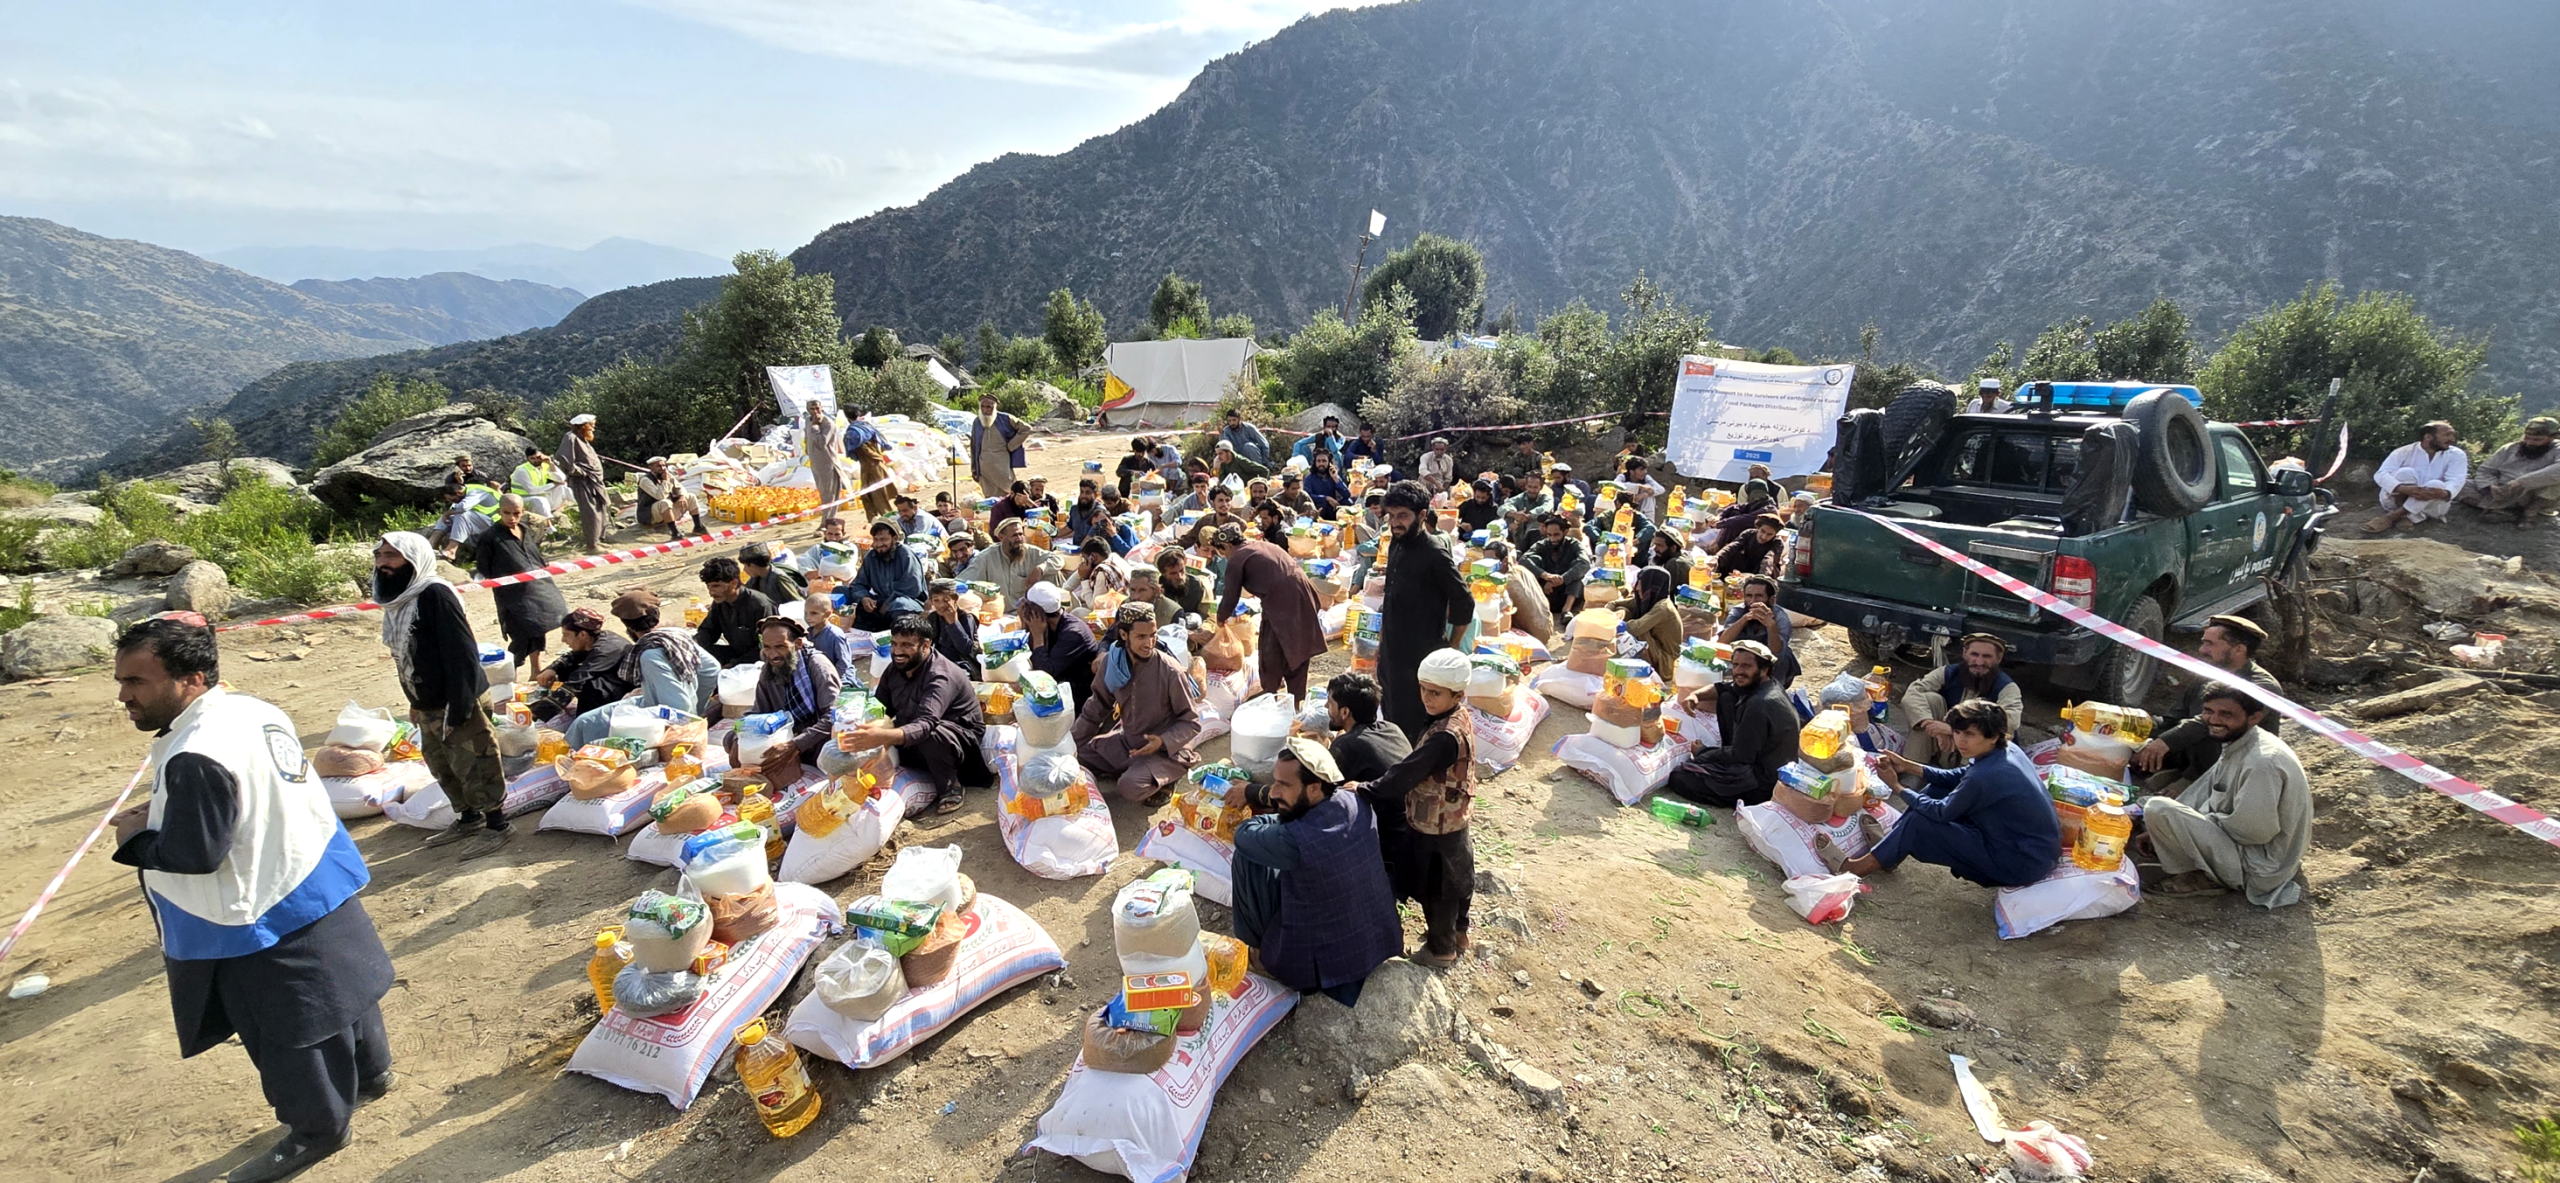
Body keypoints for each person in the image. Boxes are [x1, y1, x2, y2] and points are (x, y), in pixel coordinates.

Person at [107, 617, 395, 1183]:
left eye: (136, 682)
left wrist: (135, 837)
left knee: (286, 1026)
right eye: (121, 681)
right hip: (312, 872)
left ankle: (317, 1129)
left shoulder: (196, 751)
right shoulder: (254, 711)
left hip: (250, 909)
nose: (124, 697)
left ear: (191, 678)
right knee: (343, 987)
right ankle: (372, 1073)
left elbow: (196, 854)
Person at [1229, 738, 1403, 1005]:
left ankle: (1259, 953)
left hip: (1328, 959)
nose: (1273, 792)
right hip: (1376, 939)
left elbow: (1243, 835)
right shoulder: (1355, 799)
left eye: (1284, 785)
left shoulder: (1294, 839)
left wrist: (1276, 819)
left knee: (1247, 856)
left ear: (1313, 788)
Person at [373, 532, 511, 855]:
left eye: (391, 556)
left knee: (475, 763)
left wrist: (460, 707)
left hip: (457, 698)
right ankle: (469, 818)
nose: (382, 564)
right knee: (442, 764)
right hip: (427, 702)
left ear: (413, 559)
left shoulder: (435, 594)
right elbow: (407, 656)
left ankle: (498, 825)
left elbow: (462, 653)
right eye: (379, 556)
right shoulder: (400, 600)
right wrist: (415, 702)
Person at [1347, 648, 1477, 968]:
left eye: (1436, 693)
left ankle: (1441, 949)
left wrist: (1365, 789)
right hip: (1454, 817)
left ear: (1458, 694)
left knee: (1438, 888)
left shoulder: (1444, 737)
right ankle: (1459, 934)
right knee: (1458, 879)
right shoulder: (1453, 717)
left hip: (1437, 824)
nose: (1427, 698)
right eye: (1424, 689)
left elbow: (1407, 773)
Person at [1848, 700, 2057, 888]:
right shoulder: (2007, 750)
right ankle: (1890, 853)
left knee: (1919, 822)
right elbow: (1959, 776)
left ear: (1993, 736)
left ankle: (1862, 866)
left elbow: (1941, 812)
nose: (1960, 741)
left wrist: (1896, 786)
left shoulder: (1988, 774)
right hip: (2028, 848)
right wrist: (1907, 765)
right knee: (1936, 789)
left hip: (2019, 862)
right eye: (1957, 732)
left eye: (1969, 735)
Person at [2134, 685, 2312, 906]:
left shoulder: (2262, 762)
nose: (2214, 720)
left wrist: (2184, 826)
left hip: (2259, 865)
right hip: (2241, 845)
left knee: (2158, 808)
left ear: (2254, 718)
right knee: (2152, 808)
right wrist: (2165, 829)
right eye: (2208, 711)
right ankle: (2194, 865)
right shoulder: (2237, 744)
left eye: (2226, 714)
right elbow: (2203, 791)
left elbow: (2254, 833)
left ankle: (2206, 877)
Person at [836, 613, 987, 816]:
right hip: (912, 730)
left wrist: (883, 736)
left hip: (957, 740)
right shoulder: (894, 670)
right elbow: (880, 708)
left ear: (925, 645)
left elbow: (926, 723)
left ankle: (950, 786)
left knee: (931, 735)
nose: (898, 651)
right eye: (894, 644)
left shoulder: (940, 676)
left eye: (907, 645)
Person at [2133, 615, 2284, 790]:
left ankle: (2192, 782)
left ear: (2239, 649)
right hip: (2195, 752)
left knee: (2215, 729)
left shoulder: (2263, 685)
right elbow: (2174, 718)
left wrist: (2165, 741)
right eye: (2203, 643)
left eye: (2210, 644)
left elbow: (2211, 722)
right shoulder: (2208, 674)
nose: (2202, 650)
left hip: (2235, 761)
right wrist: (2138, 727)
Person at [1375, 481, 1474, 741]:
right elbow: (1391, 597)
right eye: (1391, 516)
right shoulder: (1396, 544)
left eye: (1402, 516)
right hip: (1391, 653)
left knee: (1414, 722)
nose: (1395, 523)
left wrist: (1452, 647)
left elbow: (1464, 601)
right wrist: (1382, 643)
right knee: (1391, 715)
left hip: (1421, 656)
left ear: (1421, 515)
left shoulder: (1434, 554)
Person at [1073, 603, 1203, 802]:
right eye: (1141, 637)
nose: (1149, 643)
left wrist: (1161, 742)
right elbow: (1097, 705)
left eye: (1153, 635)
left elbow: (1191, 722)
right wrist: (1070, 744)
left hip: (1165, 751)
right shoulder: (1112, 663)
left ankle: (1165, 777)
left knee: (1129, 787)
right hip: (1128, 743)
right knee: (1077, 755)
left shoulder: (1171, 671)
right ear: (1124, 634)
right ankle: (1137, 770)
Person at [562, 589, 719, 747]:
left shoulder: (650, 655)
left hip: (660, 720)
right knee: (587, 719)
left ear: (626, 625)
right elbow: (711, 669)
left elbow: (678, 707)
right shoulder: (677, 634)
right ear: (656, 615)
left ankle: (569, 756)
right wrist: (698, 704)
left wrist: (690, 717)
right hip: (656, 706)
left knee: (585, 723)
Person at [1661, 641, 1797, 808]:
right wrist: (1696, 695)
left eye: (1746, 666)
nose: (1739, 671)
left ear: (1764, 669)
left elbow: (1741, 756)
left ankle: (1736, 797)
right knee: (1726, 697)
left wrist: (1703, 752)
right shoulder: (1767, 684)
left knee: (1680, 777)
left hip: (1761, 782)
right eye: (1735, 665)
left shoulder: (1759, 705)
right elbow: (1724, 688)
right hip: (1758, 759)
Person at [1212, 524, 1326, 700]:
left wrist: (1220, 618)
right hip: (1303, 594)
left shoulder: (1237, 558)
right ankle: (1296, 701)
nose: (1223, 556)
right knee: (1298, 648)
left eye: (1221, 552)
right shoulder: (1262, 545)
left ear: (1226, 546)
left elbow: (1230, 597)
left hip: (1281, 601)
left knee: (1271, 652)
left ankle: (1270, 696)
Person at [726, 616, 841, 787]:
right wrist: (739, 736)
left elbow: (834, 716)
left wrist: (795, 745)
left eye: (780, 647)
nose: (773, 655)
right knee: (731, 739)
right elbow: (758, 711)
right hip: (783, 733)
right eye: (767, 647)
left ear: (798, 644)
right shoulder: (769, 668)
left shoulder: (818, 666)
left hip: (816, 738)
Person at [1899, 633, 2023, 771]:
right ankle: (1913, 768)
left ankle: (1966, 775)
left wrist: (1954, 730)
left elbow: (2011, 720)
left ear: (1998, 659)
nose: (1979, 662)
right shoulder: (1947, 673)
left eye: (1987, 656)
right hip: (1945, 746)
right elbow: (1913, 692)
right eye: (1974, 654)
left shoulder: (2007, 687)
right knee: (1930, 700)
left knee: (1993, 723)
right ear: (1965, 653)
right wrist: (1930, 724)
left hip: (1981, 755)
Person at [474, 494, 566, 676]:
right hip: (512, 595)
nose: (511, 518)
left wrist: (544, 568)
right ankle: (509, 677)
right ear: (499, 512)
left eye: (516, 513)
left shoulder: (525, 530)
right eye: (506, 513)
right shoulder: (490, 537)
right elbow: (484, 568)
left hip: (537, 588)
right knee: (520, 636)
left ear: (522, 512)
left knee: (538, 628)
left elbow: (534, 556)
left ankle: (535, 670)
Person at [531, 608, 636, 724]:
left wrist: (536, 713)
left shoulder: (606, 650)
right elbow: (573, 655)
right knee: (568, 668)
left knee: (586, 684)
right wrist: (552, 669)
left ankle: (587, 722)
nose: (563, 640)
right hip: (612, 684)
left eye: (566, 635)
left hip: (621, 696)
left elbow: (576, 682)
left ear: (582, 634)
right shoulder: (595, 640)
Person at [2365, 420, 2468, 532]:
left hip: (2432, 506)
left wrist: (2444, 493)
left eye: (2453, 435)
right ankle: (2407, 516)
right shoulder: (2404, 452)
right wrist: (2402, 488)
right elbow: (2380, 474)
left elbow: (2456, 479)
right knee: (2406, 472)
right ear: (2428, 437)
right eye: (2447, 435)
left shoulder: (2457, 455)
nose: (2452, 439)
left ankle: (2391, 517)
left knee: (2436, 484)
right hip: (2394, 501)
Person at [2459, 414, 2560, 527]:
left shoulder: (2557, 449)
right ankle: (2505, 512)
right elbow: (2485, 470)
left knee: (2555, 483)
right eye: (2527, 437)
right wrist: (2490, 486)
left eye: (2537, 440)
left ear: (2553, 437)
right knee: (2460, 484)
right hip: (2502, 492)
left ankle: (2530, 513)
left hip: (2531, 494)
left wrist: (2521, 482)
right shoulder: (2509, 448)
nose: (2529, 443)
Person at [1020, 580, 1103, 709]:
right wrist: (1025, 625)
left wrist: (1037, 635)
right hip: (1061, 687)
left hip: (1078, 698)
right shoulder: (1048, 626)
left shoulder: (1073, 633)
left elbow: (1045, 673)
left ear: (1036, 613)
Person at [1316, 672, 1412, 782]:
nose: (1326, 706)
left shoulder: (1346, 745)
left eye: (1330, 703)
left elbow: (1319, 785)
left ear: (1345, 712)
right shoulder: (1392, 729)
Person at [1715, 574, 1800, 689]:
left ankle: (1772, 688)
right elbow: (1722, 642)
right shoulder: (1738, 611)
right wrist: (1744, 619)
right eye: (1749, 596)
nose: (1753, 601)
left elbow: (1776, 652)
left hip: (1771, 664)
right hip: (1745, 660)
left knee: (1784, 656)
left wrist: (1771, 626)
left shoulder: (1780, 617)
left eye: (1759, 596)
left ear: (1772, 600)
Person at [960, 517, 1064, 606]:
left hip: (1028, 612)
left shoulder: (1030, 551)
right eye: (1014, 535)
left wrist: (1040, 569)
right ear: (1001, 537)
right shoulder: (987, 557)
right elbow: (962, 581)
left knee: (1054, 573)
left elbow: (1058, 559)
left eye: (1021, 534)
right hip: (1001, 613)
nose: (1019, 539)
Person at [845, 519, 928, 630]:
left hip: (909, 603)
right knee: (844, 592)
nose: (879, 544)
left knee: (900, 604)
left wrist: (889, 603)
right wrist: (864, 597)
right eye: (876, 540)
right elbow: (858, 584)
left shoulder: (906, 554)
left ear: (895, 539)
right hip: (882, 602)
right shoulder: (871, 556)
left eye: (883, 539)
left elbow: (912, 588)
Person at [694, 556, 777, 667]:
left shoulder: (759, 605)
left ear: (733, 583)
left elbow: (766, 646)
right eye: (708, 587)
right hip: (735, 653)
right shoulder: (720, 602)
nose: (711, 592)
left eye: (716, 586)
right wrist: (692, 645)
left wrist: (734, 664)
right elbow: (709, 631)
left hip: (760, 658)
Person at [1522, 513, 1590, 627]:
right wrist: (1545, 575)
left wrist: (1561, 579)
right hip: (1546, 592)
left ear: (1565, 532)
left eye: (1556, 535)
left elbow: (1585, 563)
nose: (1553, 539)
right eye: (1549, 535)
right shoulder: (1542, 544)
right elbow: (1524, 559)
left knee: (1578, 567)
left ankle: (1566, 611)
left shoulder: (1574, 544)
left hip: (1568, 592)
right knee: (1533, 559)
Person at [559, 412, 609, 552]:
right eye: (591, 425)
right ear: (583, 426)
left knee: (600, 508)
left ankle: (598, 539)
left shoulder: (583, 439)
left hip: (594, 481)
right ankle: (592, 545)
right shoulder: (570, 437)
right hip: (583, 482)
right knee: (590, 511)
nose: (593, 428)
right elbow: (563, 459)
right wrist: (581, 472)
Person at [1620, 566, 1683, 677]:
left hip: (1666, 662)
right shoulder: (1650, 600)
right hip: (1657, 651)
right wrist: (1607, 614)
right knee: (1623, 611)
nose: (1637, 588)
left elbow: (1636, 628)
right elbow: (1615, 604)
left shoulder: (1662, 608)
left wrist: (1614, 625)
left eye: (1641, 584)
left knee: (1640, 633)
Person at [838, 402, 896, 519]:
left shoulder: (852, 432)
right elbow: (881, 443)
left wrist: (874, 458)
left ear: (846, 415)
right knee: (869, 495)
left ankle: (889, 521)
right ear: (858, 413)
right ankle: (874, 521)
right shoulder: (866, 426)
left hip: (870, 466)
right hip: (875, 464)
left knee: (878, 496)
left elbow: (865, 450)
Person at [970, 392, 1030, 496]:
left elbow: (1026, 429)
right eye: (982, 407)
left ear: (995, 407)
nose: (985, 410)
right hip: (984, 466)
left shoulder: (1006, 419)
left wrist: (1011, 446)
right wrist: (974, 469)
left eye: (989, 407)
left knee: (1010, 491)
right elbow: (974, 446)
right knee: (989, 495)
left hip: (1002, 463)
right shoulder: (977, 422)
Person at [1709, 463, 1780, 551]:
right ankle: (1718, 546)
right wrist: (1718, 517)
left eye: (1760, 492)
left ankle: (1717, 547)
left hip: (1761, 539)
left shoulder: (1769, 508)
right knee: (1734, 513)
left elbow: (1744, 519)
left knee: (1735, 523)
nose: (1757, 495)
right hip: (1748, 531)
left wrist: (1719, 524)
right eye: (1754, 492)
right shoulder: (1754, 503)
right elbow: (1734, 507)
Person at [636, 457, 703, 541]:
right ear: (651, 467)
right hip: (649, 514)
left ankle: (698, 527)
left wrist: (682, 496)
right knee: (665, 502)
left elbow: (680, 488)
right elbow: (660, 496)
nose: (662, 468)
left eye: (664, 465)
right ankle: (675, 533)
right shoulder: (645, 480)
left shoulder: (668, 476)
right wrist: (665, 481)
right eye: (659, 466)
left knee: (691, 497)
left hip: (666, 510)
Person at [924, 580, 981, 678]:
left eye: (946, 600)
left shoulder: (966, 618)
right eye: (936, 600)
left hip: (962, 664)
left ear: (955, 599)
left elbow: (966, 649)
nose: (941, 605)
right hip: (938, 663)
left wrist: (953, 623)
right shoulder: (933, 618)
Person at [802, 398, 845, 519]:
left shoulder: (827, 423)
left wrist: (816, 426)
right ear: (807, 410)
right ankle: (827, 519)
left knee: (828, 493)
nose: (815, 412)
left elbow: (822, 443)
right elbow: (808, 438)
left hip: (827, 462)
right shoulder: (808, 421)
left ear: (822, 408)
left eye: (817, 408)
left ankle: (827, 521)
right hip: (815, 461)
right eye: (812, 409)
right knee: (822, 491)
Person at [1712, 514, 1788, 579]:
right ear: (1758, 528)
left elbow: (1769, 559)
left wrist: (1761, 578)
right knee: (1731, 554)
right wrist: (1716, 558)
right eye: (1762, 531)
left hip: (1763, 571)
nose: (1764, 537)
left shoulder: (1777, 543)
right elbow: (1732, 546)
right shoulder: (1748, 533)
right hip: (1744, 567)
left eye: (1769, 534)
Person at [1065, 535, 1132, 610]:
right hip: (1117, 604)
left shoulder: (1102, 571)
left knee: (1078, 611)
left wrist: (1084, 579)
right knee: (1073, 593)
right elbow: (1068, 586)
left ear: (1093, 556)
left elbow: (1094, 606)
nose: (1084, 562)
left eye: (1085, 559)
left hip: (1113, 612)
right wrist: (1066, 588)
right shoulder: (1114, 557)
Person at [1501, 469, 1554, 551]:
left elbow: (1546, 508)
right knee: (1508, 518)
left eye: (1535, 487)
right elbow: (1503, 508)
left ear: (1541, 487)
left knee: (1537, 522)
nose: (1532, 490)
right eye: (1530, 486)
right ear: (1525, 486)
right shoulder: (1520, 497)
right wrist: (1515, 514)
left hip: (1539, 538)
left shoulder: (1546, 498)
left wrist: (1529, 515)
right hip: (1519, 533)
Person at [739, 542, 806, 607]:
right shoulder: (755, 579)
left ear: (753, 566)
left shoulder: (778, 578)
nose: (744, 569)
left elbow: (797, 603)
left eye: (745, 566)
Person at [806, 592, 856, 675]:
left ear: (827, 614)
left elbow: (843, 663)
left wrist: (832, 678)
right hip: (820, 674)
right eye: (806, 613)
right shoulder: (808, 633)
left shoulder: (835, 635)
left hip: (840, 675)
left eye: (814, 613)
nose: (808, 617)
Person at [1157, 548, 1209, 620]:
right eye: (1173, 573)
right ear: (1164, 574)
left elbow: (1208, 614)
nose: (1179, 577)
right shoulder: (1157, 588)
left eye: (1181, 570)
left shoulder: (1199, 584)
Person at [509, 446, 560, 518]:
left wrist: (551, 463)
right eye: (532, 458)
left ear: (542, 456)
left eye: (538, 457)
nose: (536, 460)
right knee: (540, 500)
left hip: (539, 495)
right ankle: (548, 520)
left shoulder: (545, 465)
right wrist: (553, 484)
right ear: (528, 459)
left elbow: (561, 479)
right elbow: (531, 491)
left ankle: (553, 511)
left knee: (562, 488)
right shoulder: (522, 470)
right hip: (523, 498)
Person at [1065, 478, 1109, 547]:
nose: (1083, 496)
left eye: (1087, 493)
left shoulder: (1100, 513)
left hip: (1093, 549)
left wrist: (1080, 550)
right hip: (1075, 548)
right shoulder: (1074, 509)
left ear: (1096, 495)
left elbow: (1091, 537)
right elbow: (1069, 528)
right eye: (1082, 492)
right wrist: (1053, 535)